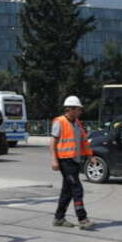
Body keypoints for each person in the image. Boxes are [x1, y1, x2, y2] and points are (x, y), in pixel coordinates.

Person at [49, 96, 95, 230]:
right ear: (70, 109)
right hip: (65, 160)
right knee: (77, 188)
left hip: (75, 160)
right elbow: (53, 142)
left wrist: (90, 156)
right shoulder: (59, 122)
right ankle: (82, 219)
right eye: (78, 109)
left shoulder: (77, 123)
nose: (80, 111)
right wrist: (53, 159)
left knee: (67, 191)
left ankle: (59, 218)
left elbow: (83, 141)